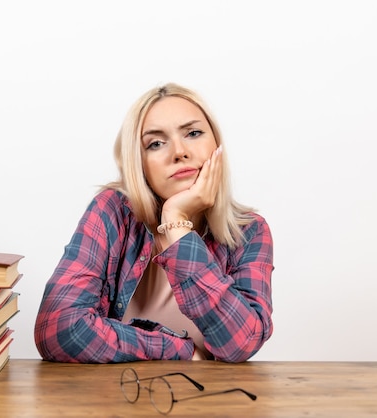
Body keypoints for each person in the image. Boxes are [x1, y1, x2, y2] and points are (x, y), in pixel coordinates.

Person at [34, 83, 274, 363]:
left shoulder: (249, 231)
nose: (179, 152)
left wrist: (177, 223)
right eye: (156, 143)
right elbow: (59, 330)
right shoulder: (113, 211)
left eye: (193, 133)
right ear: (140, 163)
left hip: (212, 401)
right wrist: (181, 350)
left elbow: (241, 343)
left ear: (216, 146)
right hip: (117, 399)